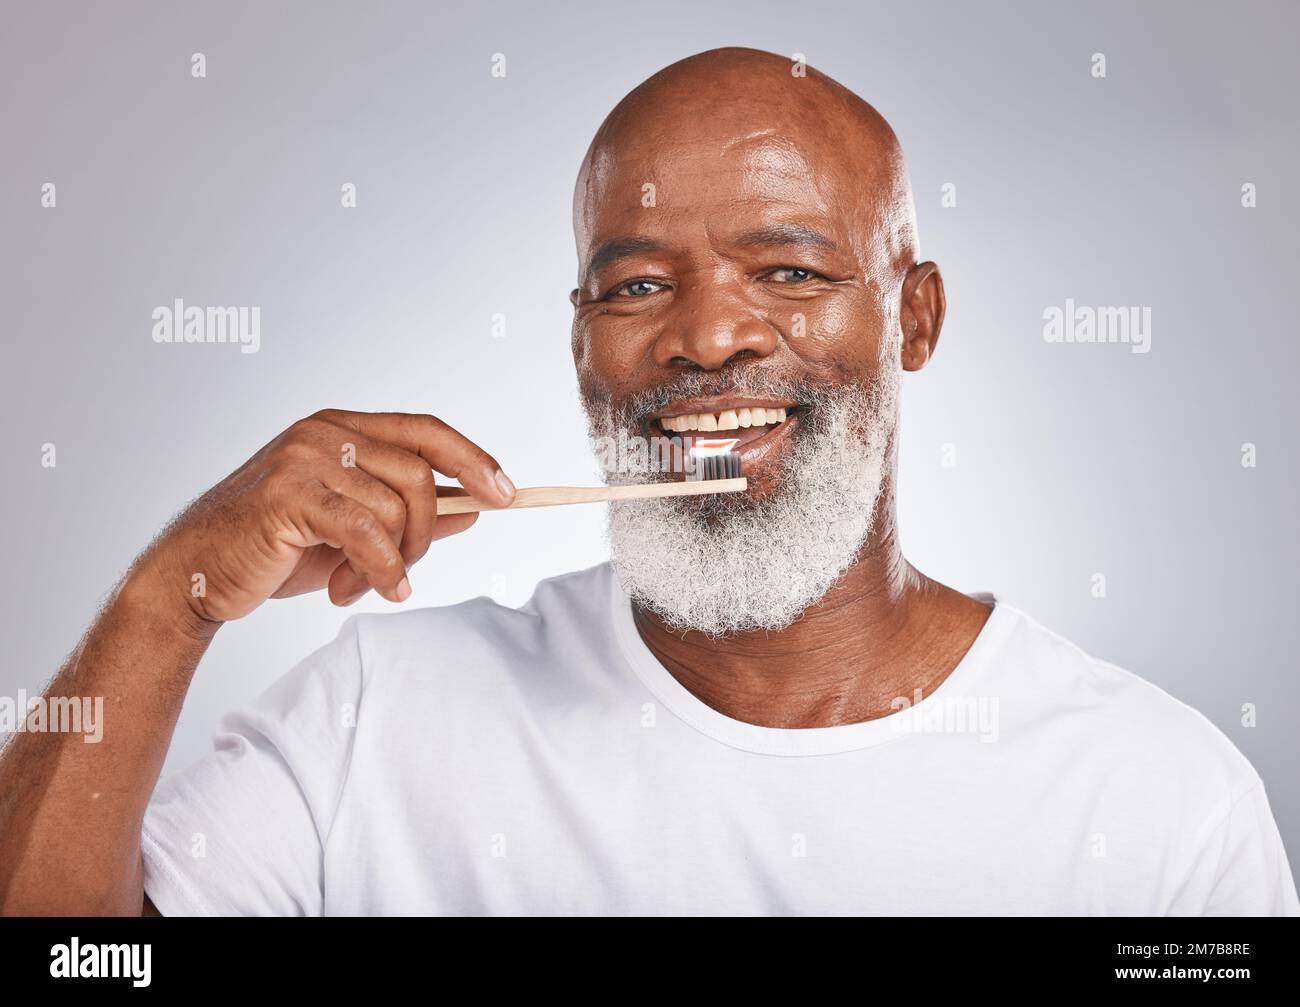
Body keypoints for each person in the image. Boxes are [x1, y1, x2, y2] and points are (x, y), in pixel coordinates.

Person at [2, 47, 1295, 916]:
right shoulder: (373, 722)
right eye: (635, 285)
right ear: (581, 348)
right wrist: (170, 599)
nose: (707, 336)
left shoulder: (1158, 806)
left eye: (788, 271)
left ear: (915, 319)